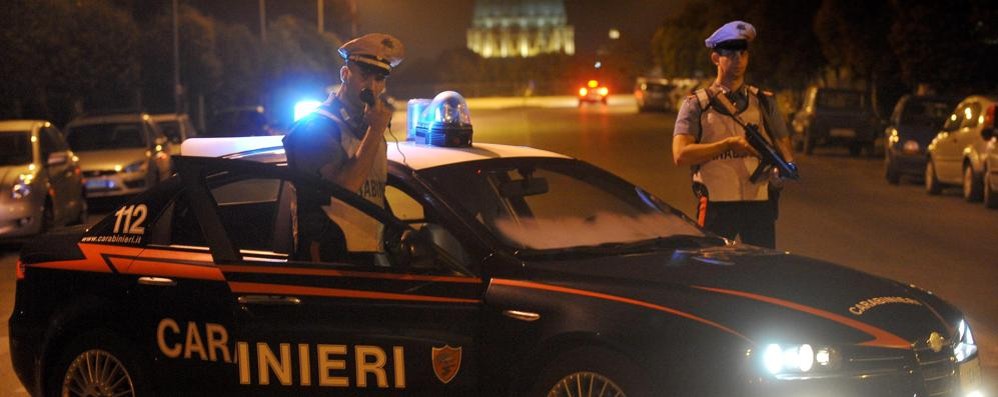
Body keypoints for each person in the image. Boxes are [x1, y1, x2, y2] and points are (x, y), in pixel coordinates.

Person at [671, 21, 796, 249]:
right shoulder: (696, 104)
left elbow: (784, 147)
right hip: (717, 205)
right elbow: (680, 155)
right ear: (715, 58)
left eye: (743, 53)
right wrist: (728, 144)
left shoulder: (764, 101)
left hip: (759, 204)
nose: (738, 60)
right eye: (730, 54)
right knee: (711, 270)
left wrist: (783, 170)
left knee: (763, 274)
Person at [282, 33, 405, 262]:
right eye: (364, 76)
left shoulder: (369, 129)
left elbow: (373, 194)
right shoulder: (316, 127)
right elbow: (344, 189)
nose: (371, 86)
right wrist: (375, 131)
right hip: (326, 262)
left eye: (379, 79)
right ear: (345, 74)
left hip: (367, 257)